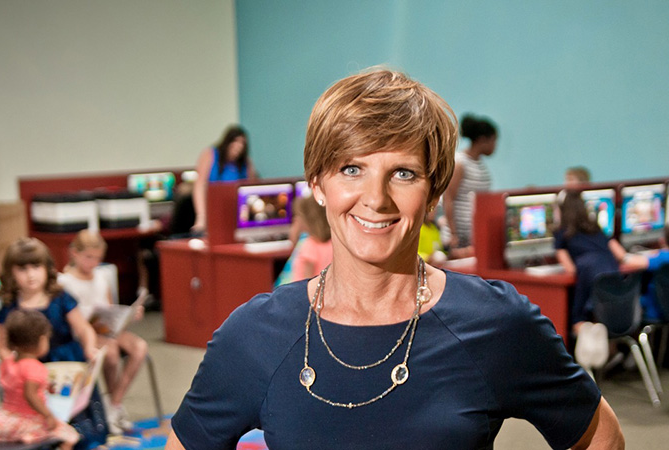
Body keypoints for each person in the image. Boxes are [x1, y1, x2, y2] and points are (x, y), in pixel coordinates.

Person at [166, 69, 623, 449]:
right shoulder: (256, 333)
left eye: (403, 173)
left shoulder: (495, 322)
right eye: (351, 169)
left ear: (432, 195)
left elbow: (601, 436)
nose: (375, 198)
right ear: (318, 185)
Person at [0, 237, 108, 449]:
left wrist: (90, 346)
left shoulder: (60, 297)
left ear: (47, 268)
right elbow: (3, 344)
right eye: (22, 269)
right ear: (11, 272)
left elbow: (84, 328)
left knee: (79, 419)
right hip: (31, 371)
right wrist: (9, 361)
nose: (30, 275)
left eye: (36, 267)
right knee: (42, 419)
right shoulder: (9, 307)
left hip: (68, 364)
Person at [58, 230, 148, 433]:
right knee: (112, 352)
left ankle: (113, 403)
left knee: (139, 347)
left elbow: (109, 310)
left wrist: (129, 315)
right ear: (74, 253)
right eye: (88, 257)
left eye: (97, 258)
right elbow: (69, 320)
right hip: (83, 333)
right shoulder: (65, 282)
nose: (93, 263)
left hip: (105, 330)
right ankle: (112, 406)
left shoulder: (101, 277)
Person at [0, 309, 80, 449]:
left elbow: (16, 385)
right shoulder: (35, 368)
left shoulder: (8, 362)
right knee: (70, 435)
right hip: (25, 422)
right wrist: (48, 415)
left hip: (3, 421)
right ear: (42, 340)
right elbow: (30, 395)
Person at [555, 191, 628, 333]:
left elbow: (570, 269)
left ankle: (584, 336)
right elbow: (620, 254)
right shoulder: (596, 227)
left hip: (590, 282)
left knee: (576, 318)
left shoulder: (563, 232)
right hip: (614, 294)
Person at [443, 113, 497, 257]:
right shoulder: (460, 163)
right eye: (493, 140)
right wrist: (454, 234)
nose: (495, 146)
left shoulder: (480, 165)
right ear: (482, 140)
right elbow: (448, 198)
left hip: (473, 237)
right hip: (458, 239)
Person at [192, 125, 257, 232]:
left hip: (235, 213)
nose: (238, 146)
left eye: (242, 143)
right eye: (236, 141)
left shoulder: (245, 163)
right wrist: (201, 216)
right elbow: (199, 186)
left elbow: (252, 188)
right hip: (213, 209)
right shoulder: (210, 154)